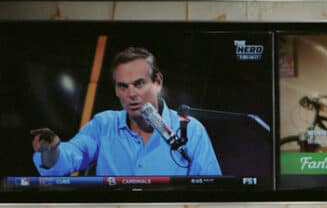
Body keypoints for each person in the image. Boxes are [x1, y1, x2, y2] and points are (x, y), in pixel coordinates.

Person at [31, 46, 221, 177]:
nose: (131, 94)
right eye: (123, 86)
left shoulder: (191, 130)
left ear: (158, 82)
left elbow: (211, 190)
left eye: (139, 84)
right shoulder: (104, 124)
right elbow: (69, 157)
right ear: (116, 90)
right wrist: (50, 150)